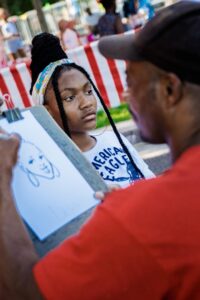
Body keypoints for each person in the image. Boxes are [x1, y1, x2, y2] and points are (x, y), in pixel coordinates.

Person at [1, 1, 200, 299]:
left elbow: (27, 293)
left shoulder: (148, 215)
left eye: (131, 80)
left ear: (170, 90)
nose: (125, 93)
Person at [30, 32, 153, 187]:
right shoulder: (61, 168)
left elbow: (150, 181)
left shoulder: (114, 139)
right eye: (69, 98)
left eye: (88, 92)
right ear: (47, 111)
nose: (86, 103)